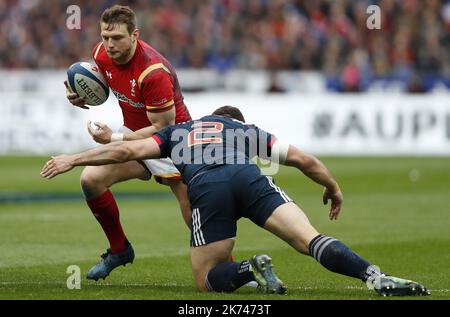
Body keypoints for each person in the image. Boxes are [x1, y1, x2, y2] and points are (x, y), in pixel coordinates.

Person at [41, 106, 430, 296]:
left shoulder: (178, 131)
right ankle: (373, 276)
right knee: (309, 240)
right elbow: (301, 159)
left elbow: (126, 152)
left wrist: (72, 159)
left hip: (208, 191)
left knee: (206, 278)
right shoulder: (243, 130)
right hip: (249, 179)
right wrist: (332, 186)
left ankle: (249, 269)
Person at [64, 5, 193, 281]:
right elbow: (104, 82)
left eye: (117, 38)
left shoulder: (153, 72)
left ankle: (222, 264)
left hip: (174, 140)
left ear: (135, 35)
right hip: (134, 134)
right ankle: (119, 249)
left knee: (191, 206)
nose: (109, 45)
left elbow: (162, 128)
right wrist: (79, 94)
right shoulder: (101, 53)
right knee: (91, 180)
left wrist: (114, 138)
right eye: (105, 37)